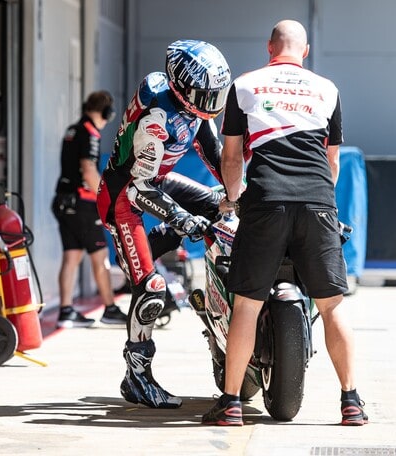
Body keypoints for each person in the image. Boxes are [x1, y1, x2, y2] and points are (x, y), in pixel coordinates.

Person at [201, 20, 367, 426]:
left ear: (269, 48)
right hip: (317, 204)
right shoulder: (328, 89)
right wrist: (320, 202)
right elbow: (332, 162)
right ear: (305, 51)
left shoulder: (244, 85)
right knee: (331, 306)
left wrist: (234, 199)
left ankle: (231, 404)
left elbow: (232, 158)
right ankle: (352, 401)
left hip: (266, 202)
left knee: (246, 304)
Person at [97, 40, 231, 408]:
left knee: (218, 204)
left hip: (156, 181)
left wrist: (238, 191)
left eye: (216, 94)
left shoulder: (192, 109)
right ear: (182, 87)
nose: (212, 103)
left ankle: (154, 248)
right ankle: (136, 377)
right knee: (152, 289)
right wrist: (182, 220)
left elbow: (213, 153)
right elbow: (139, 189)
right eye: (205, 95)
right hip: (125, 197)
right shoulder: (157, 117)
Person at [52, 90, 129, 329]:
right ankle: (110, 308)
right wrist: (104, 198)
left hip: (63, 201)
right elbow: (88, 169)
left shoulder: (72, 130)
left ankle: (66, 311)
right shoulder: (90, 134)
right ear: (106, 112)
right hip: (82, 204)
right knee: (100, 257)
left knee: (71, 256)